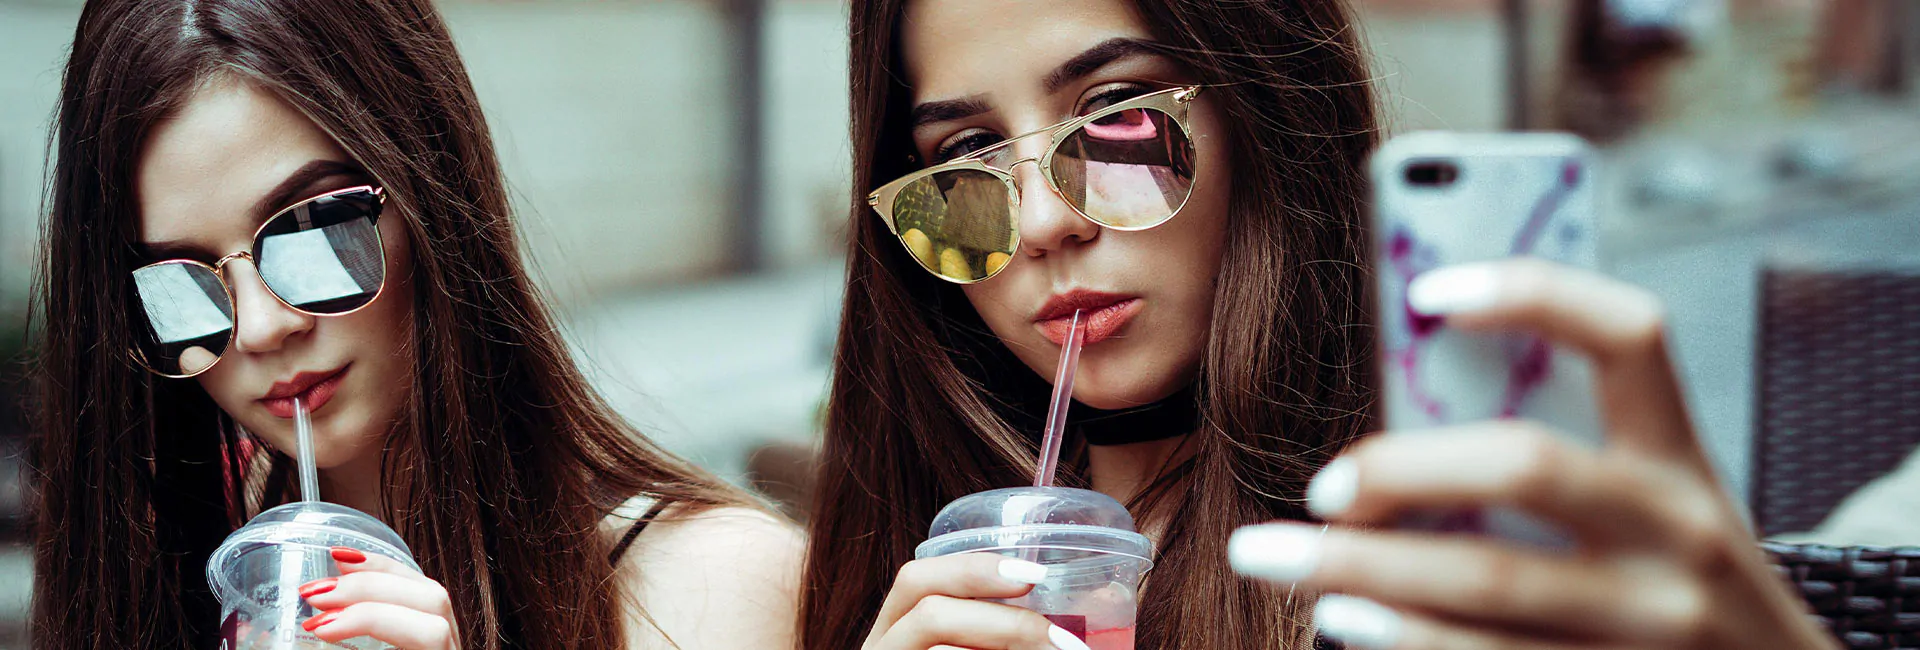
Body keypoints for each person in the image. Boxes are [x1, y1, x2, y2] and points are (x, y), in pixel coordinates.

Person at [801, 0, 1838, 649]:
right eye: (969, 154)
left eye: (1119, 115)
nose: (1041, 222)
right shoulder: (889, 557)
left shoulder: (1437, 547)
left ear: (1264, 114)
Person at [30, 1, 800, 648]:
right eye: (179, 283)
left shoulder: (710, 589)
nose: (260, 328)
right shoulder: (159, 588)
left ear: (433, 196)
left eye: (313, 232)